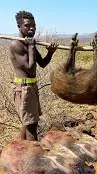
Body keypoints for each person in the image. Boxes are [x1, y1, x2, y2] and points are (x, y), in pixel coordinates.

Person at [9, 10, 58, 141]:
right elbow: (30, 69)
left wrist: (51, 52)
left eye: (34, 26)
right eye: (27, 26)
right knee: (31, 125)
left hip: (31, 86)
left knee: (29, 122)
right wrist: (31, 46)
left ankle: (22, 153)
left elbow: (42, 63)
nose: (32, 28)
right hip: (24, 88)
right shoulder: (16, 44)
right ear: (19, 27)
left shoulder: (29, 42)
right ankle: (35, 158)